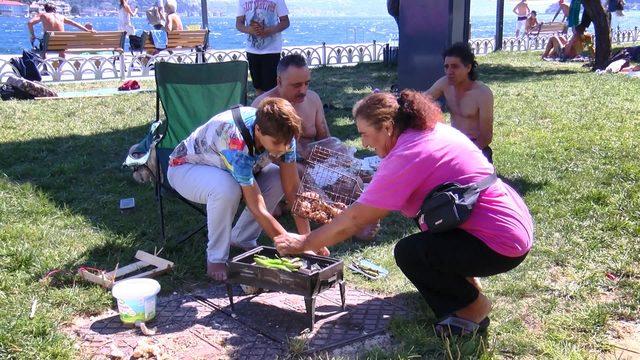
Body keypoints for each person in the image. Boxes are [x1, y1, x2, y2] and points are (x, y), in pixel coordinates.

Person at [275, 90, 533, 336]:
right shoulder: (428, 131)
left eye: (365, 134)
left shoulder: (407, 153)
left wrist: (305, 242)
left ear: (387, 127)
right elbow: (372, 207)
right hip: (511, 223)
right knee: (429, 232)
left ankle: (472, 310)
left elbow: (354, 220)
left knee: (410, 254)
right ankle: (467, 288)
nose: (363, 142)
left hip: (498, 244)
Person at [167, 98, 325, 281]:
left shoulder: (284, 134)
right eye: (275, 145)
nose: (282, 150)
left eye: (287, 145)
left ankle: (243, 237)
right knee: (227, 189)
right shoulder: (235, 140)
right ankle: (216, 257)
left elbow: (292, 188)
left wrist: (308, 240)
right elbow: (257, 206)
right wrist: (289, 244)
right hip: (185, 169)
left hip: (225, 169)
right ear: (258, 130)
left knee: (276, 178)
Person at [251, 54, 330, 173]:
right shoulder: (263, 106)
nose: (303, 90)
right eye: (296, 85)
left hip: (315, 167)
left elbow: (326, 141)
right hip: (278, 171)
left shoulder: (313, 99)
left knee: (356, 182)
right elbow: (260, 155)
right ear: (279, 81)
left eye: (306, 83)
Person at [424, 42, 494, 163]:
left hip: (477, 148)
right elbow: (422, 100)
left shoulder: (483, 93)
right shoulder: (444, 83)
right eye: (446, 67)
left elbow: (486, 137)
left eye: (455, 66)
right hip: (454, 145)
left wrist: (465, 154)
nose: (449, 71)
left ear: (468, 67)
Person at [236, 0, 290, 96]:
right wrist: (250, 30)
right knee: (258, 87)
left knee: (272, 87)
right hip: (252, 50)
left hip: (272, 50)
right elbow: (239, 24)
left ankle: (273, 108)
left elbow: (285, 22)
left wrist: (269, 31)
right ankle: (261, 108)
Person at [27, 3, 95, 58]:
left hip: (48, 45)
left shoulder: (43, 15)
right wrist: (87, 30)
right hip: (61, 45)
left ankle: (45, 69)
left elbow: (30, 23)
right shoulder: (61, 17)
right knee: (61, 48)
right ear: (54, 10)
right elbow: (74, 23)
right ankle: (60, 68)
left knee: (43, 48)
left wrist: (33, 36)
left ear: (46, 10)